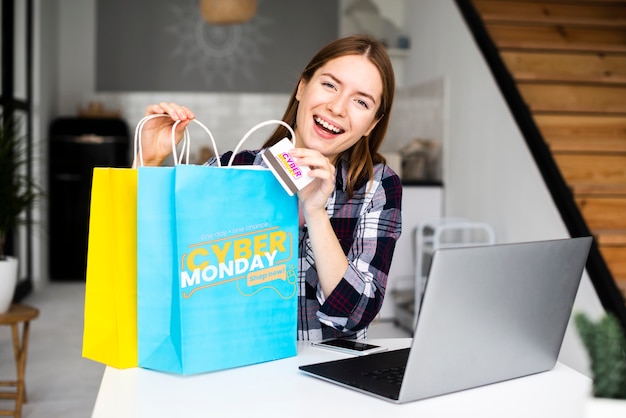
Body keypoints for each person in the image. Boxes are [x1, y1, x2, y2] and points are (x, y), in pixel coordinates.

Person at [138, 34, 402, 340]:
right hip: (235, 364)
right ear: (302, 87)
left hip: (328, 375)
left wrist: (316, 214)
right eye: (329, 85)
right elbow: (151, 256)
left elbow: (355, 317)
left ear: (371, 123)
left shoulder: (378, 186)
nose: (338, 107)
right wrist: (147, 160)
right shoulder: (232, 171)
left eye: (361, 101)